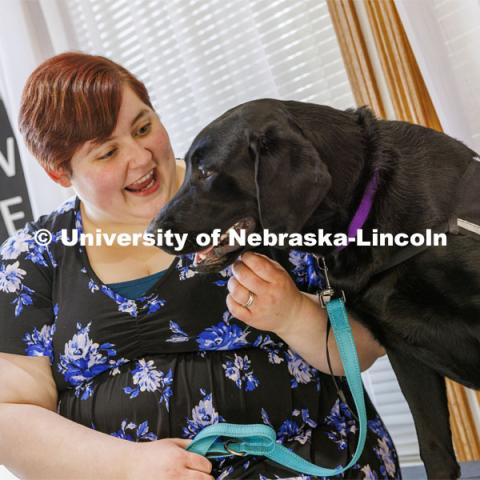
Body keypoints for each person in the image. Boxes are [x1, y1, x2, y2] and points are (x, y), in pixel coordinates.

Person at [0, 52, 400, 479]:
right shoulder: (34, 259)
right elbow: (9, 415)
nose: (140, 159)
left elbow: (367, 346)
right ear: (59, 172)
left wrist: (293, 313)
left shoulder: (254, 188)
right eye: (107, 152)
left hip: (316, 463)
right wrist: (128, 466)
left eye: (142, 127)